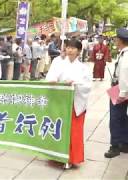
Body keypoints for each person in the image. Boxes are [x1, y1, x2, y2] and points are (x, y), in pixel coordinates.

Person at [46, 39, 92, 168]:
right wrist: (53, 81)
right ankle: (56, 156)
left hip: (74, 103)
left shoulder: (83, 68)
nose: (70, 50)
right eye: (68, 48)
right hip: (59, 102)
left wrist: (74, 83)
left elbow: (87, 86)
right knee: (57, 129)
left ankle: (72, 158)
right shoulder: (58, 63)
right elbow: (50, 77)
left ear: (78, 51)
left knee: (73, 131)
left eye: (73, 48)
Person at [104, 28, 128, 158]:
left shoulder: (126, 55)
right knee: (123, 117)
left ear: (121, 40)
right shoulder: (123, 53)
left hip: (120, 89)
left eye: (116, 38)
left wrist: (122, 94)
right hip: (121, 88)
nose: (115, 40)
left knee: (115, 118)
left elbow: (124, 75)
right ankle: (124, 143)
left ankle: (115, 146)